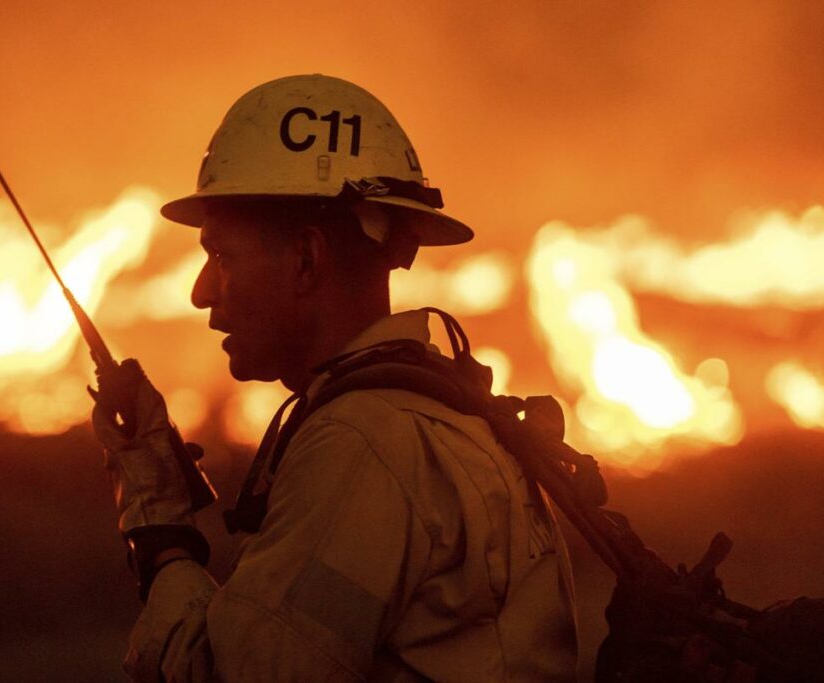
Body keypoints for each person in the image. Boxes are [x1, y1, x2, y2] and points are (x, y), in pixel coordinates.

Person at [92, 74, 578, 682]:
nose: (200, 293)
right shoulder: (441, 413)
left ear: (305, 259)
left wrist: (159, 528)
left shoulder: (362, 444)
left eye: (221, 256)